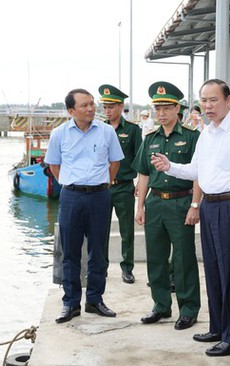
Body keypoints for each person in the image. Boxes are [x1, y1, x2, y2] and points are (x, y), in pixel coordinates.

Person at [151, 79, 230, 357]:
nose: (208, 106)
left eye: (214, 100)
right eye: (204, 100)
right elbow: (197, 170)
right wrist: (170, 167)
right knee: (213, 270)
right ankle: (218, 327)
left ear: (228, 100)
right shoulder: (207, 132)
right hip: (210, 206)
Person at [46, 88, 124, 323]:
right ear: (71, 111)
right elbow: (54, 166)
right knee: (70, 252)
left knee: (98, 251)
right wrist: (72, 184)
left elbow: (115, 162)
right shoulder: (59, 134)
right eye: (85, 105)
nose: (91, 109)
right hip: (71, 197)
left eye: (92, 104)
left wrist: (102, 183)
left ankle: (95, 299)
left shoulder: (107, 131)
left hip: (100, 196)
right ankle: (70, 303)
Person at [132, 81, 202, 331]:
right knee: (156, 258)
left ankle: (188, 309)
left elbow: (198, 175)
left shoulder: (192, 137)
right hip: (155, 203)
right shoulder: (150, 138)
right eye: (157, 109)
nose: (161, 113)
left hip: (180, 202)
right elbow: (143, 174)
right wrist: (140, 207)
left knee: (184, 259)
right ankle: (161, 306)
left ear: (177, 109)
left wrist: (195, 205)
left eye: (166, 108)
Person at [98, 84, 142, 284]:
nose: (107, 110)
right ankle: (101, 267)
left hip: (124, 185)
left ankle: (127, 268)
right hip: (102, 186)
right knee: (100, 229)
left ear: (120, 106)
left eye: (111, 106)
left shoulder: (132, 130)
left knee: (127, 230)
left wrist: (141, 182)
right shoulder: (98, 129)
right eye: (105, 106)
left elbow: (140, 159)